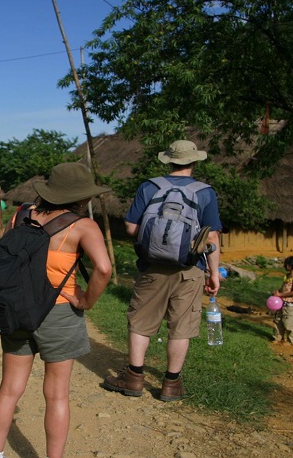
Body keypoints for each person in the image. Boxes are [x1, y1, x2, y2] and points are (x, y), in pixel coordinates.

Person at [0, 162, 112, 458]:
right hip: (58, 312)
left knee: (9, 389)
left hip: (17, 309)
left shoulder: (22, 216)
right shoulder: (83, 225)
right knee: (56, 394)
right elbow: (103, 269)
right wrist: (85, 301)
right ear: (81, 197)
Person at [103, 140, 222, 401]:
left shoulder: (150, 186)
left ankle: (134, 377)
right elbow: (211, 237)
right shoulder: (205, 192)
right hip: (190, 268)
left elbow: (132, 228)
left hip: (152, 267)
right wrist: (213, 273)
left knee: (141, 321)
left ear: (168, 160)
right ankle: (171, 384)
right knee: (181, 325)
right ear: (194, 161)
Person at [271, 256, 293, 345]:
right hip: (282, 302)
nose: (285, 265)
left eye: (286, 264)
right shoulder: (287, 276)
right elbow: (283, 288)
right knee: (278, 320)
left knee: (289, 322)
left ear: (291, 265)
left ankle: (289, 340)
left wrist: (280, 295)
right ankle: (277, 337)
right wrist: (277, 292)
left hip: (291, 304)